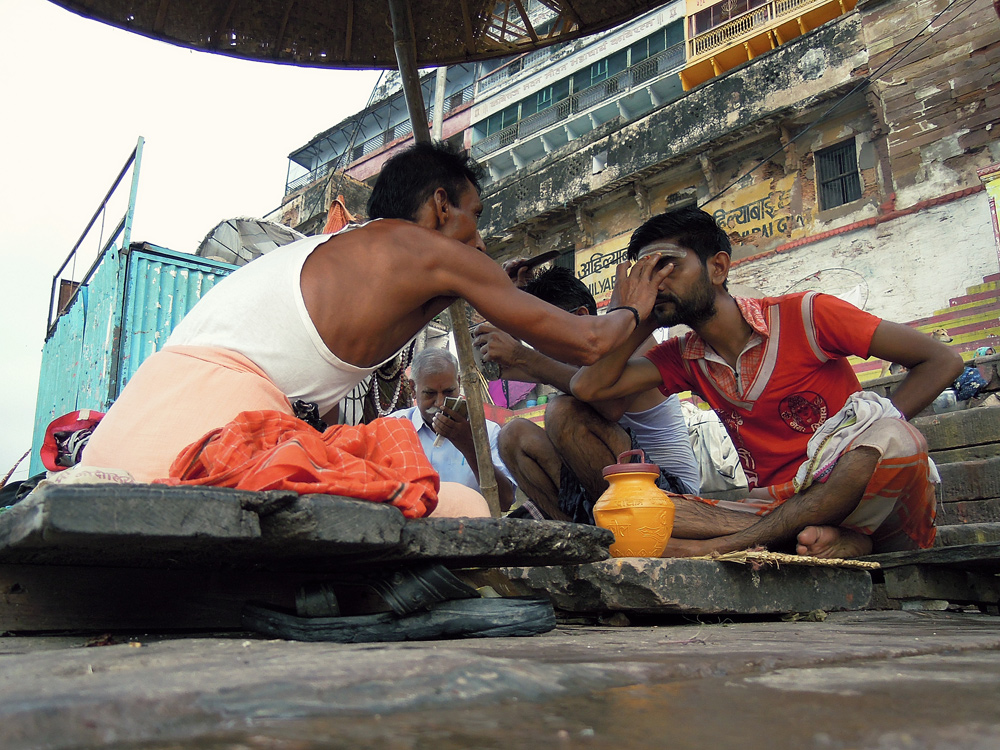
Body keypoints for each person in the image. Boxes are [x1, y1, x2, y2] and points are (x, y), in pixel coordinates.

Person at [80, 142, 673, 517]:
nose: (479, 238)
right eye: (475, 217)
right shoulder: (427, 252)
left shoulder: (354, 249)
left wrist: (495, 285)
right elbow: (590, 342)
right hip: (197, 444)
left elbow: (439, 296)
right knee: (463, 508)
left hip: (135, 428)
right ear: (442, 206)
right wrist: (634, 306)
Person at [571, 206, 964, 558]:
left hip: (862, 490)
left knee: (896, 438)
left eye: (668, 266)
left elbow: (941, 359)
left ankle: (729, 547)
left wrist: (862, 437)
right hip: (775, 506)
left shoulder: (809, 314)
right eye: (646, 273)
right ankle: (831, 539)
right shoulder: (683, 356)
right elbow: (590, 388)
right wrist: (638, 313)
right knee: (644, 511)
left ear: (718, 267)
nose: (656, 282)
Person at [474, 267, 701, 523]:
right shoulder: (562, 364)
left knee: (564, 413)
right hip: (608, 488)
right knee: (513, 435)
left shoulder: (633, 338)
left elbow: (609, 404)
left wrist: (524, 357)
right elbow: (534, 367)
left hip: (671, 494)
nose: (543, 349)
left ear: (582, 316)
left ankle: (624, 528)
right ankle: (579, 536)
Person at [390, 348, 516, 511]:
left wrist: (468, 445)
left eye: (449, 391)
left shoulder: (488, 432)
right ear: (413, 389)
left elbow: (504, 502)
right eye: (430, 394)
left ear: (459, 383)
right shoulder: (394, 426)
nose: (440, 403)